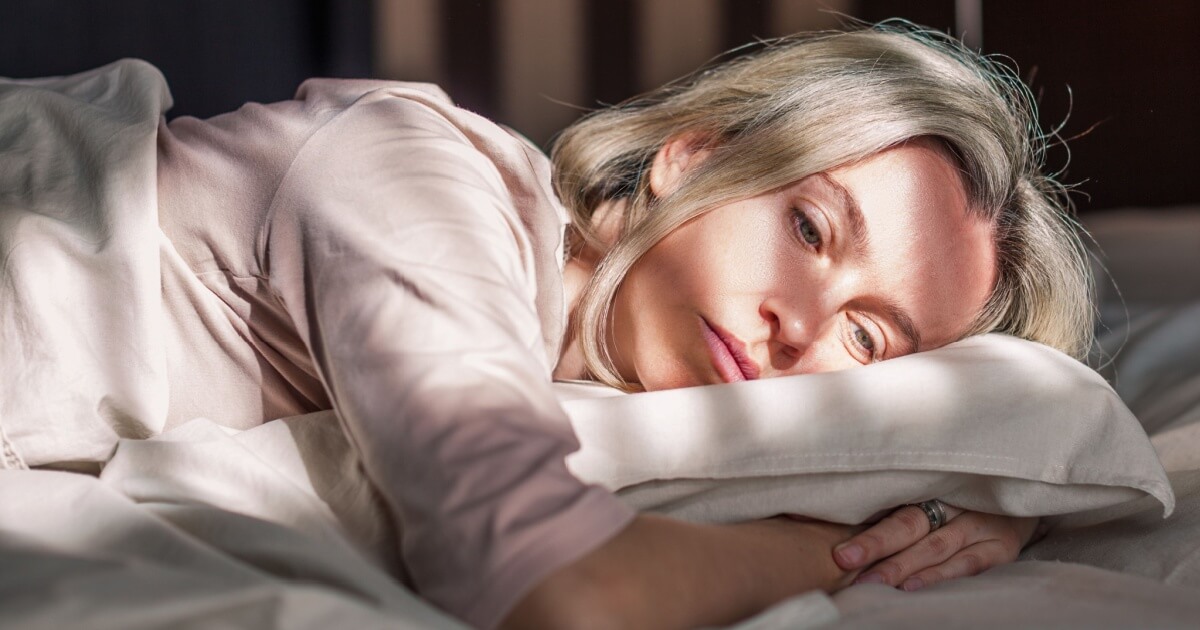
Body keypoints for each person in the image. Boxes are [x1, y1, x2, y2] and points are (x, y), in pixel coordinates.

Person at [0, 21, 1091, 630]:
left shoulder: (598, 387)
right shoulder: (413, 180)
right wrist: (836, 556)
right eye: (809, 229)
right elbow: (560, 593)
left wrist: (971, 502)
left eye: (868, 339)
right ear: (692, 159)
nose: (797, 330)